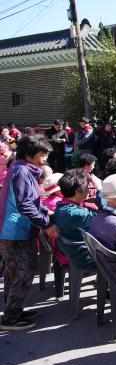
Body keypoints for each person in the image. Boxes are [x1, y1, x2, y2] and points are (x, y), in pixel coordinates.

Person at [0, 135, 55, 330]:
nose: (44, 160)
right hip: (14, 231)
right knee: (24, 273)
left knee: (13, 272)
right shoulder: (22, 171)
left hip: (18, 230)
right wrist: (45, 223)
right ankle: (10, 319)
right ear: (29, 155)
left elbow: (32, 201)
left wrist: (46, 212)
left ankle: (12, 309)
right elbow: (25, 204)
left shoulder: (23, 169)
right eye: (42, 155)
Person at [52, 169, 98, 270]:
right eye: (87, 187)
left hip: (73, 252)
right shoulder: (74, 213)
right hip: (86, 257)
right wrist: (100, 189)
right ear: (77, 192)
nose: (89, 190)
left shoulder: (62, 206)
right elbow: (101, 219)